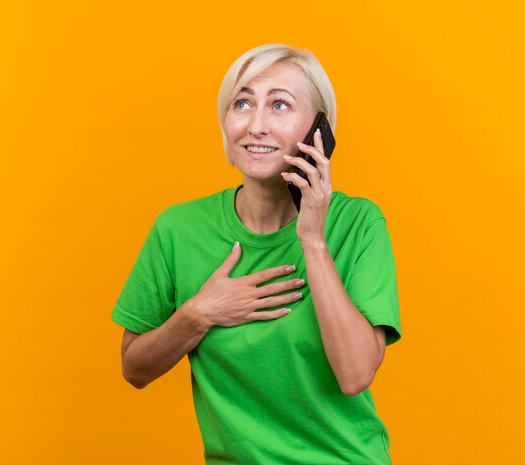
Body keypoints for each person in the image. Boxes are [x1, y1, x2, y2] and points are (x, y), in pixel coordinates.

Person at [111, 43, 403, 465]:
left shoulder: (359, 223)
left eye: (280, 105)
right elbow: (134, 369)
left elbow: (355, 375)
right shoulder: (177, 229)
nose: (256, 125)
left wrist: (313, 241)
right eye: (242, 103)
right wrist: (198, 314)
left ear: (319, 129)